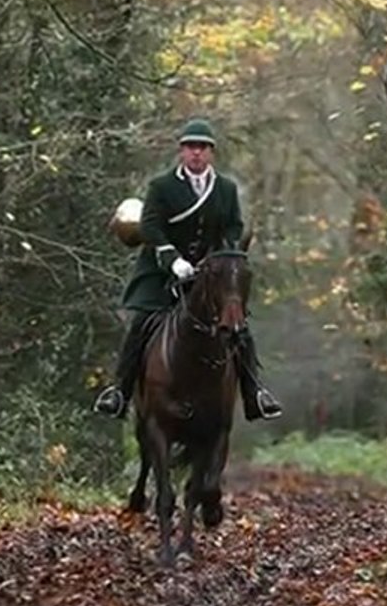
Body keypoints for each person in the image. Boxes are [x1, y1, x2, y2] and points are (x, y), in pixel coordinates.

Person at [93, 117, 283, 422]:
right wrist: (173, 259)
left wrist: (222, 254)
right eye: (191, 147)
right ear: (182, 152)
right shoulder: (162, 186)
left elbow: (234, 225)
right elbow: (151, 226)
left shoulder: (225, 188)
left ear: (211, 153)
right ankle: (119, 392)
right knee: (141, 324)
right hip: (162, 271)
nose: (197, 153)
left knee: (239, 327)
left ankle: (255, 393)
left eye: (203, 148)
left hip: (209, 274)